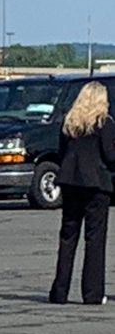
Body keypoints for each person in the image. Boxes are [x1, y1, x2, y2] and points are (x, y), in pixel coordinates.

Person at [49, 82, 115, 304]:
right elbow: (110, 155)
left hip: (70, 181)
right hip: (96, 183)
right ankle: (92, 293)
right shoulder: (104, 122)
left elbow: (62, 152)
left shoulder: (70, 122)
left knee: (68, 236)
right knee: (95, 239)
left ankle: (59, 291)